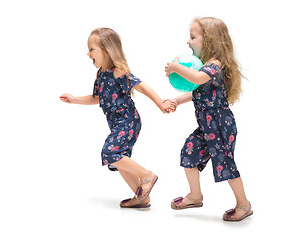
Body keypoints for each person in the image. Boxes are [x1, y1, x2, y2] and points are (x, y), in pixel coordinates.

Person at [60, 28, 175, 208]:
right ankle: (141, 196)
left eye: (91, 49)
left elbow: (142, 87)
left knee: (110, 152)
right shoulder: (100, 74)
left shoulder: (119, 71)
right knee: (118, 159)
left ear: (106, 50)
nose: (88, 53)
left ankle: (147, 176)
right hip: (117, 124)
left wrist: (160, 103)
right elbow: (97, 98)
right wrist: (74, 100)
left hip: (128, 120)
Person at [165, 17, 252, 221]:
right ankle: (195, 196)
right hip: (206, 126)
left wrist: (176, 67)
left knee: (225, 164)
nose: (188, 41)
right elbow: (196, 91)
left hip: (220, 125)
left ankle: (244, 204)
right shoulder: (204, 66)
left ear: (210, 40)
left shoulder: (215, 65)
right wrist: (176, 101)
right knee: (189, 152)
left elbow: (196, 79)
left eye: (193, 37)